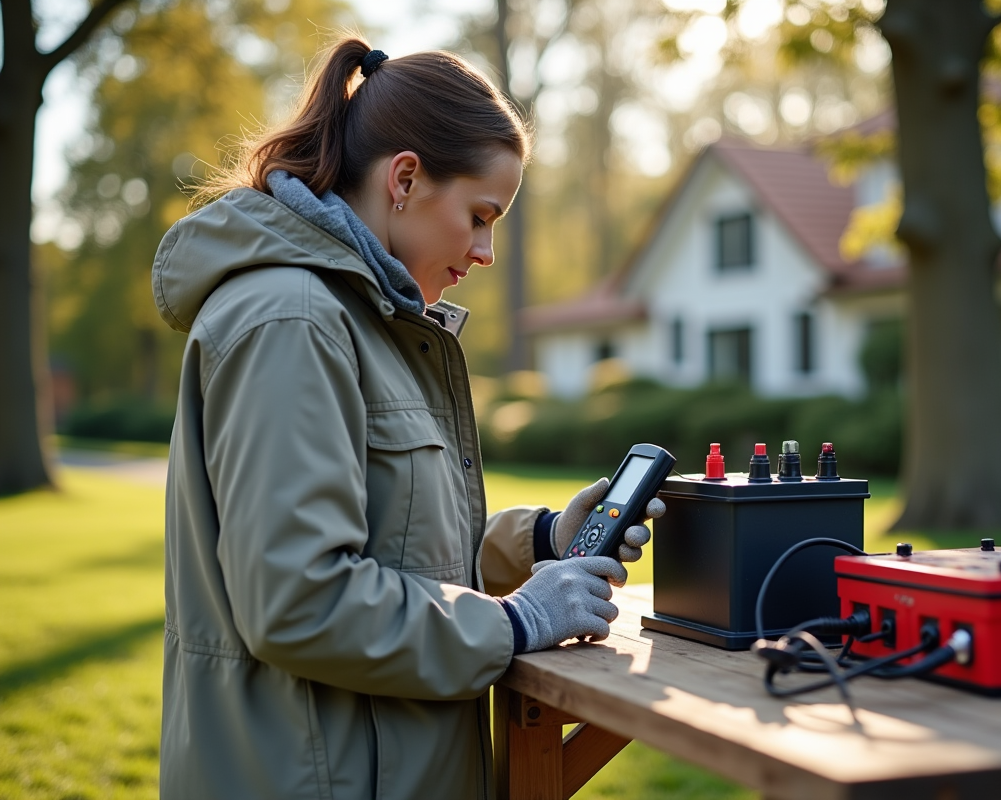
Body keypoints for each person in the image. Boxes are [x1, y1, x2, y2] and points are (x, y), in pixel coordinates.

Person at [152, 37, 664, 800]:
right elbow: (300, 599)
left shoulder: (367, 320)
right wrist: (517, 623)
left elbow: (390, 544)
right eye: (480, 215)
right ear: (404, 178)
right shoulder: (292, 319)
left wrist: (543, 541)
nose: (486, 251)